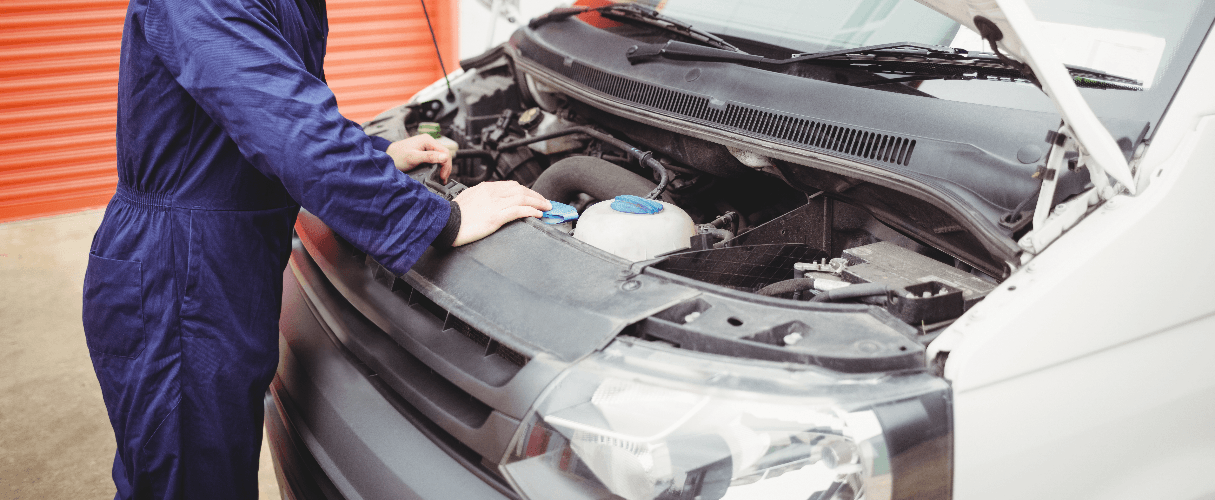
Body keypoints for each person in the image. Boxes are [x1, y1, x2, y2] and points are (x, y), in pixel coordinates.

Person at [81, 0, 550, 497]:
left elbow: (288, 99)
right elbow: (287, 129)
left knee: (210, 469)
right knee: (184, 482)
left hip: (223, 271)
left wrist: (374, 156)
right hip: (178, 278)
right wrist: (440, 217)